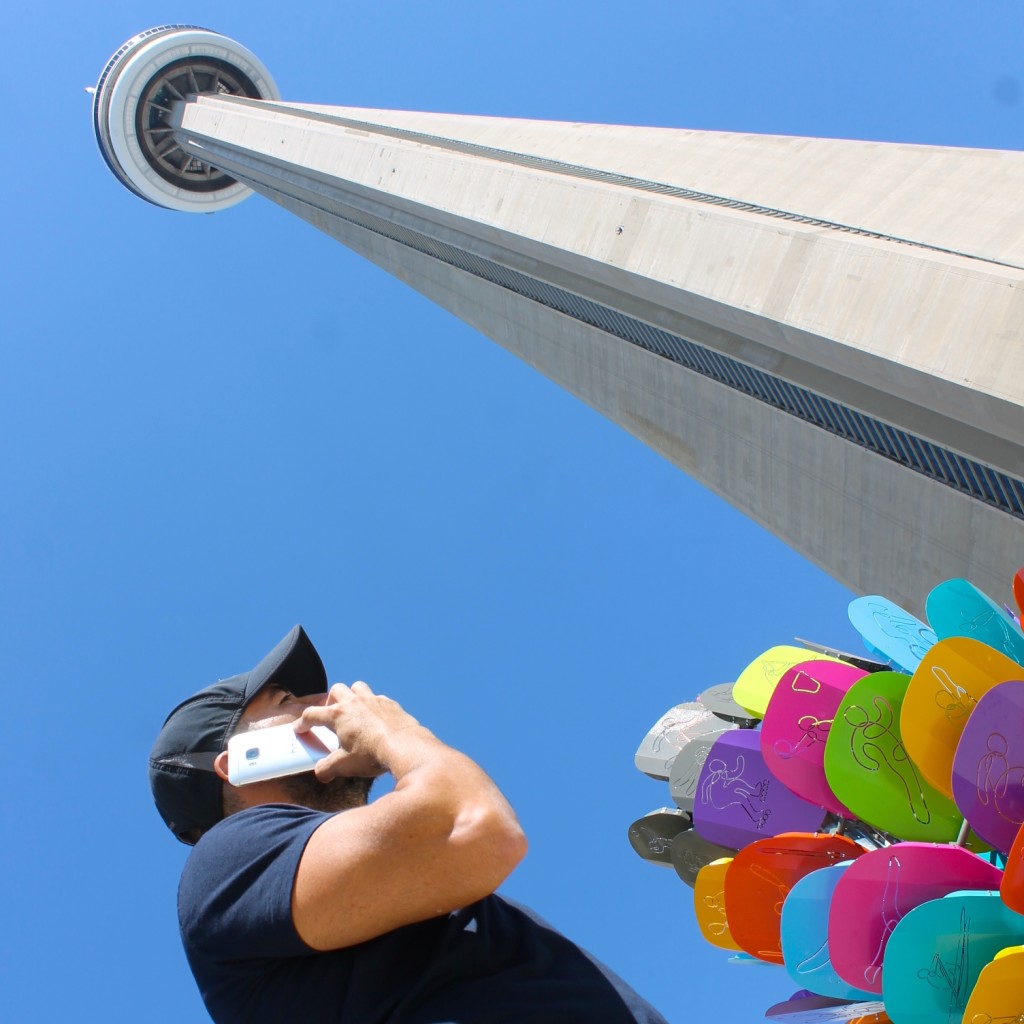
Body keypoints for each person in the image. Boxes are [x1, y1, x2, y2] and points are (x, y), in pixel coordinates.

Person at [149, 625, 670, 1023]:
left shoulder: (375, 870)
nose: (326, 701)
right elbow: (474, 830)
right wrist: (395, 733)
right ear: (235, 762)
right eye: (286, 702)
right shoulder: (227, 856)